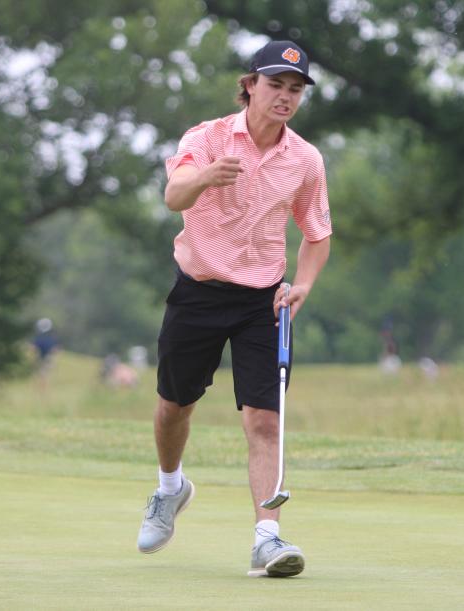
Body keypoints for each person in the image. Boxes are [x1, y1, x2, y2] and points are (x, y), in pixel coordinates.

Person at [136, 39, 332, 579]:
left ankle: (267, 539)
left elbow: (317, 234)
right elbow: (174, 196)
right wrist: (204, 176)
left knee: (265, 422)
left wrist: (305, 285)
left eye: (295, 89)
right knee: (174, 406)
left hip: (261, 302)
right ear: (249, 85)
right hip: (197, 291)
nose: (285, 97)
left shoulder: (305, 159)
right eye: (275, 85)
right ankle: (170, 489)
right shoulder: (208, 137)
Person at [32, 318, 58, 390]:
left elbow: (33, 348)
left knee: (42, 375)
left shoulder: (38, 338)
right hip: (47, 359)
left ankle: (42, 389)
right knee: (44, 375)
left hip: (42, 358)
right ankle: (42, 389)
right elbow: (55, 350)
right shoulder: (52, 338)